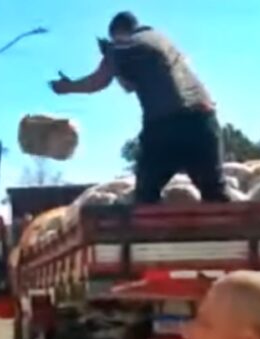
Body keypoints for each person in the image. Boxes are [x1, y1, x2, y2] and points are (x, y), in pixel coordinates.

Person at [49, 11, 228, 204]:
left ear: (118, 32)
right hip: (204, 120)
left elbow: (98, 82)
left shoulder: (122, 45)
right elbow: (132, 84)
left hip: (166, 125)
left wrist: (67, 87)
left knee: (146, 196)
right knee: (215, 193)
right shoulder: (161, 40)